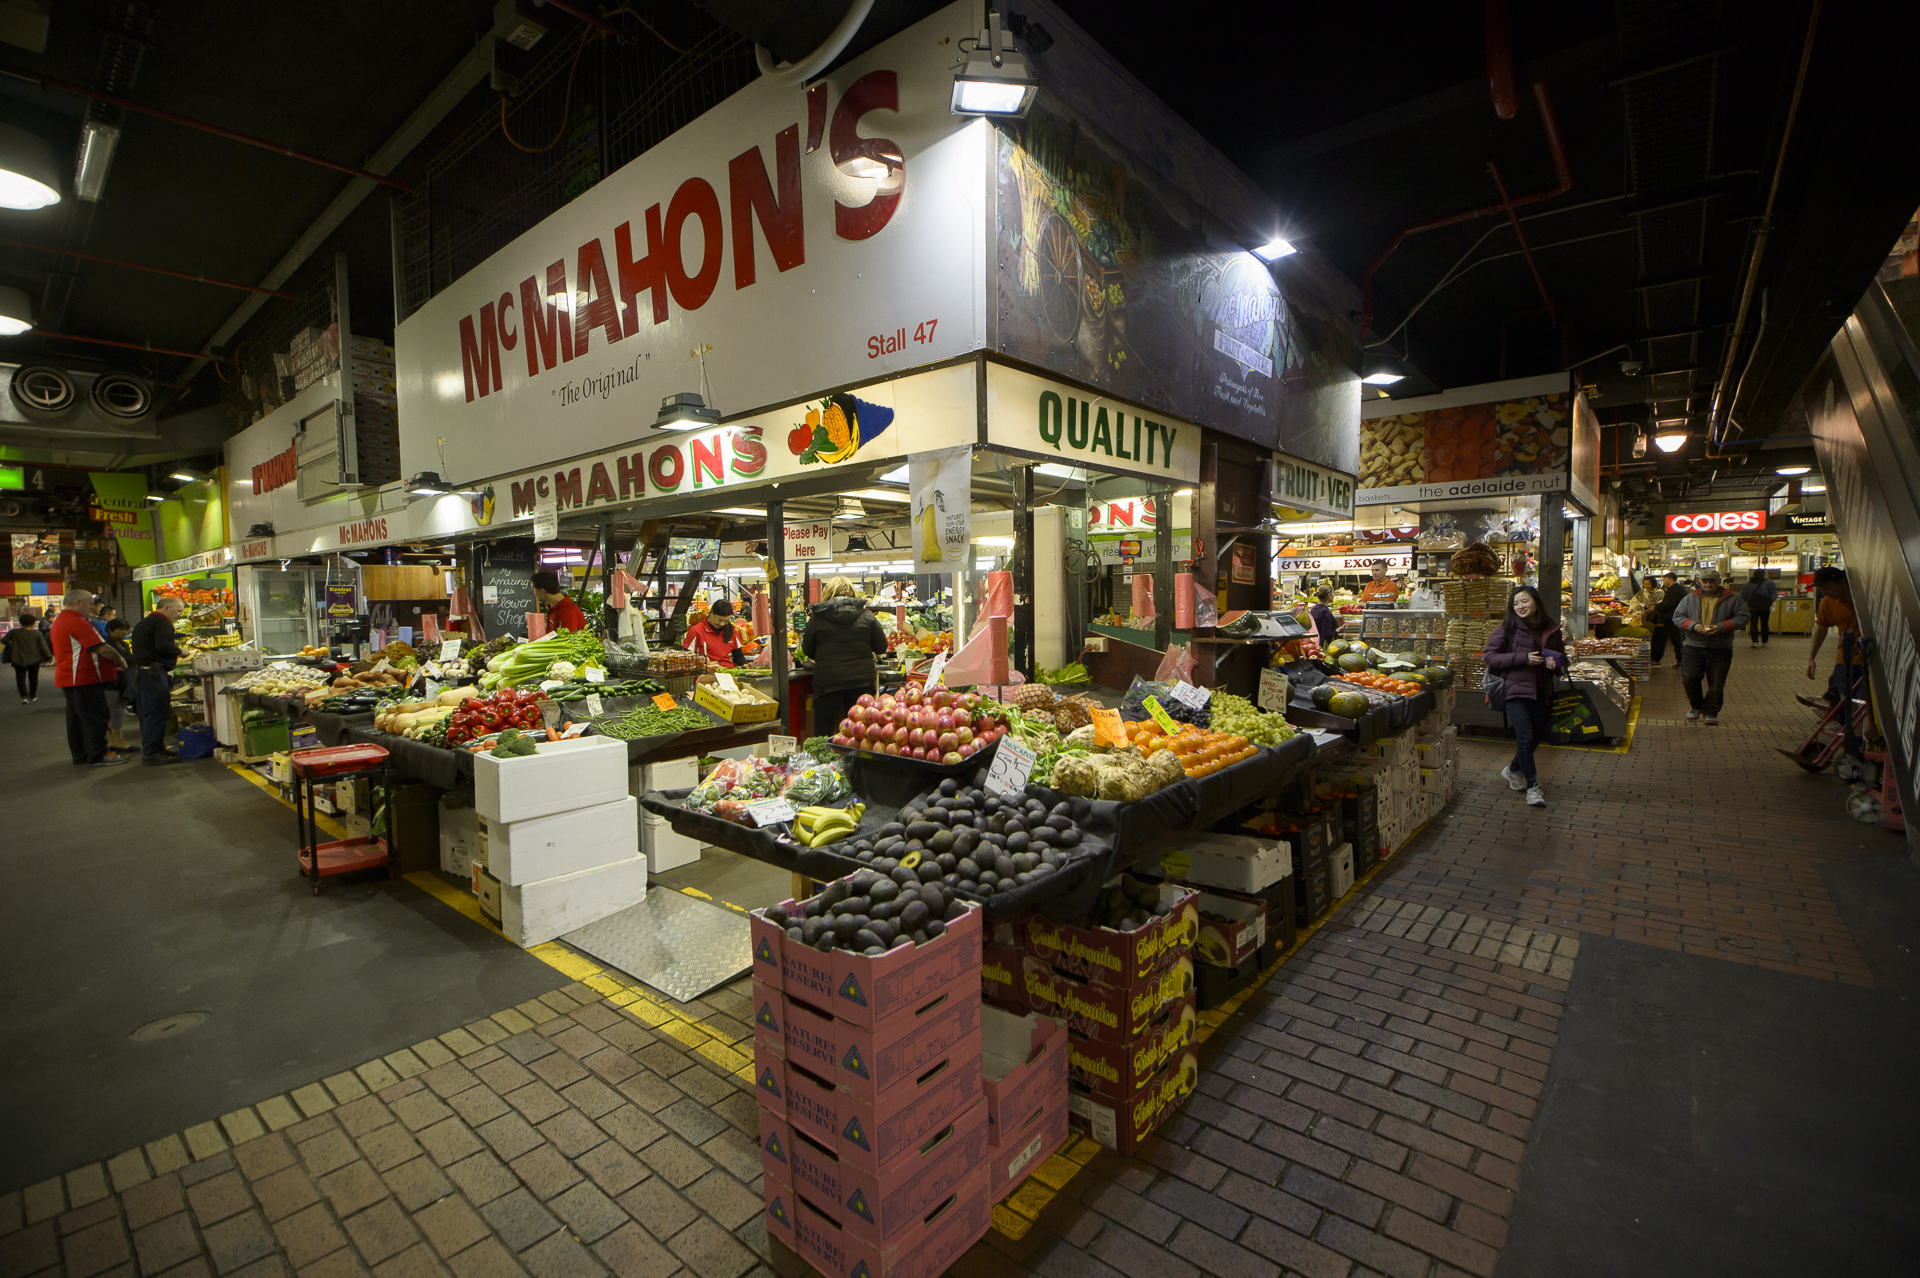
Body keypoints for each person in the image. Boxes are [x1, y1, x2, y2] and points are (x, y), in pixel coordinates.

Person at [1482, 585, 1566, 808]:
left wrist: (1554, 665)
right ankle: (1533, 787)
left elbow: (1561, 661)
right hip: (1515, 690)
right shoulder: (1508, 627)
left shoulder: (1551, 628)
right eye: (1516, 603)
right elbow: (1490, 656)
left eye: (1525, 601)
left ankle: (1512, 769)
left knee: (1537, 736)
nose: (1520, 606)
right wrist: (1522, 658)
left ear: (1536, 602)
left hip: (1542, 691)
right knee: (1526, 737)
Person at [51, 588, 130, 766]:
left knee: (77, 720)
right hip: (83, 677)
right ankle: (97, 755)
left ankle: (82, 755)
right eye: (88, 604)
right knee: (96, 717)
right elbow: (101, 647)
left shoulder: (61, 620)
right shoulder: (77, 622)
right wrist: (120, 660)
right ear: (78, 603)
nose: (91, 608)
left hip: (70, 677)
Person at [803, 577, 889, 737]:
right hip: (861, 683)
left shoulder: (817, 618)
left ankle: (822, 762)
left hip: (828, 683)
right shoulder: (867, 616)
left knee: (823, 737)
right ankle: (858, 762)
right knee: (861, 735)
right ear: (853, 594)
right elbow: (881, 647)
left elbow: (807, 649)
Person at [1671, 568, 1749, 725]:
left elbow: (1744, 617)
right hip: (1694, 645)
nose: (1708, 584)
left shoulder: (1733, 599)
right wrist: (1694, 626)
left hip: (1721, 647)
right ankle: (1696, 706)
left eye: (1711, 581)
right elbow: (1678, 617)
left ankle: (1711, 712)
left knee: (1716, 682)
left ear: (1718, 581)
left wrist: (1722, 626)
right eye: (1705, 581)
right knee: (1690, 677)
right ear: (1700, 582)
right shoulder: (1689, 599)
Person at [129, 595, 186, 764]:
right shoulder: (162, 623)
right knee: (157, 712)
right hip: (152, 674)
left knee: (148, 713)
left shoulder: (144, 622)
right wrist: (179, 651)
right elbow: (163, 645)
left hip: (140, 673)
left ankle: (156, 749)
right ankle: (152, 753)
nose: (179, 615)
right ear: (166, 608)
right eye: (178, 611)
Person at [1803, 567, 1860, 708]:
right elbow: (1821, 628)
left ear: (1841, 582)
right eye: (1821, 589)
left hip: (1870, 659)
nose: (1825, 593)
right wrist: (1812, 658)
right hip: (1845, 659)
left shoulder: (1863, 599)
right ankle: (1842, 724)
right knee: (1844, 697)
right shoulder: (1828, 602)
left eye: (1827, 587)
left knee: (1862, 700)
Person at [4, 610, 52, 703]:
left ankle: (24, 696)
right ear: (33, 623)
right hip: (34, 659)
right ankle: (33, 695)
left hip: (17, 658)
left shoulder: (14, 632)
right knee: (33, 678)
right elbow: (43, 647)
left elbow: (4, 641)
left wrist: (12, 644)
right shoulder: (36, 633)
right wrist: (49, 656)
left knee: (20, 678)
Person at [102, 618, 134, 751]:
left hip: (122, 681)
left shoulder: (124, 644)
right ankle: (118, 741)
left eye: (125, 630)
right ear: (110, 630)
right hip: (110, 682)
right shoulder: (105, 645)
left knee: (117, 709)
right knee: (115, 711)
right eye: (120, 629)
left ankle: (114, 742)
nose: (123, 632)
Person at [683, 599, 746, 665]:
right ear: (710, 612)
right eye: (719, 620)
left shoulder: (731, 631)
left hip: (729, 672)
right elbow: (687, 658)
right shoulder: (696, 631)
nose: (722, 624)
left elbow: (738, 656)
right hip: (707, 672)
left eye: (726, 621)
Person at [1653, 572, 1688, 667]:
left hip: (1670, 618)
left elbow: (1669, 604)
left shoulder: (1674, 590)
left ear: (1671, 579)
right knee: (1676, 639)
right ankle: (1680, 660)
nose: (1663, 581)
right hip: (1675, 618)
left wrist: (1656, 608)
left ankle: (1656, 660)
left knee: (1662, 638)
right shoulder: (1677, 589)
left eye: (1665, 579)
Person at [1740, 569, 1779, 648]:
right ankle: (1764, 640)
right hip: (1765, 608)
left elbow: (1742, 597)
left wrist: (1747, 604)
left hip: (1752, 608)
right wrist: (1768, 603)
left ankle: (1754, 641)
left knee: (1753, 624)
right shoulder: (1769, 583)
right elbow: (1774, 595)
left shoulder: (1747, 584)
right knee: (1764, 623)